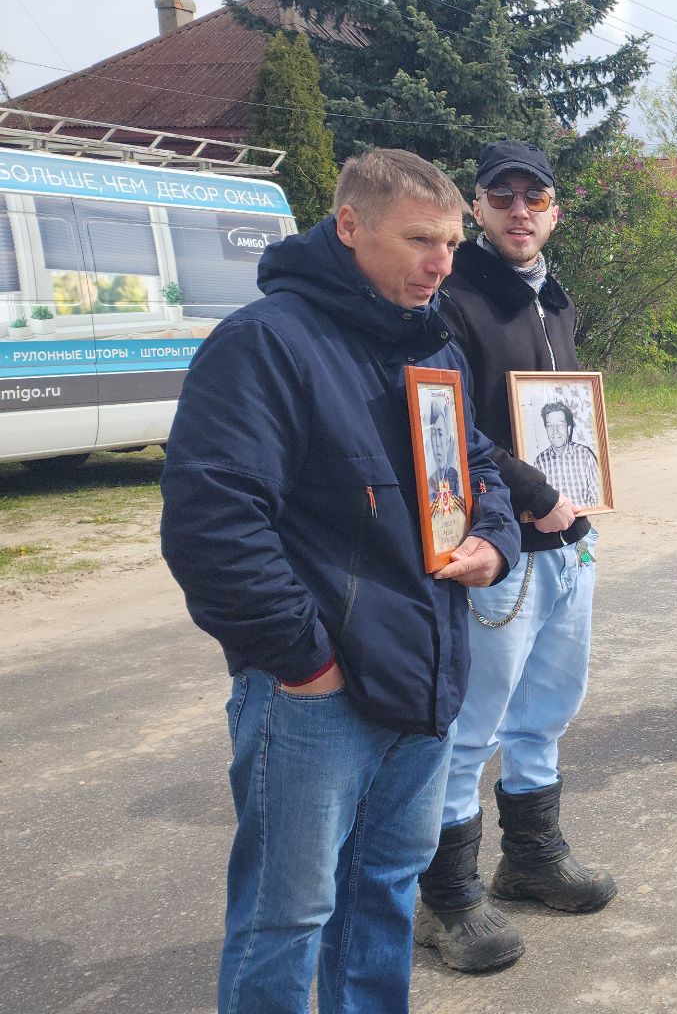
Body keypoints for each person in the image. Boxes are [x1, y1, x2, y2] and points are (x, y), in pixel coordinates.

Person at [159, 149, 517, 1012]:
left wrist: (496, 541)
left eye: (452, 242)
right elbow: (213, 523)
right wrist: (302, 662)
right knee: (288, 917)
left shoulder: (434, 346)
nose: (442, 263)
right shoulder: (265, 342)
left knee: (386, 892)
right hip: (316, 694)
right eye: (420, 240)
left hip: (426, 672)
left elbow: (478, 468)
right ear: (349, 227)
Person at [415, 140, 615, 974]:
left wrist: (577, 500)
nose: (521, 211)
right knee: (472, 728)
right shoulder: (452, 300)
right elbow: (460, 429)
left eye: (536, 197)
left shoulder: (556, 301)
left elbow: (562, 416)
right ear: (477, 208)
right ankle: (447, 899)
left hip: (568, 540)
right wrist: (537, 498)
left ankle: (531, 857)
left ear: (555, 210)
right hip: (499, 544)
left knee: (546, 711)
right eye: (503, 198)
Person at [533, 401, 604, 507]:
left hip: (581, 518)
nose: (555, 431)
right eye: (550, 426)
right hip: (555, 521)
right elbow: (539, 501)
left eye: (560, 425)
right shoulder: (540, 462)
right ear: (546, 430)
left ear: (569, 428)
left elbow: (598, 497)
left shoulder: (585, 455)